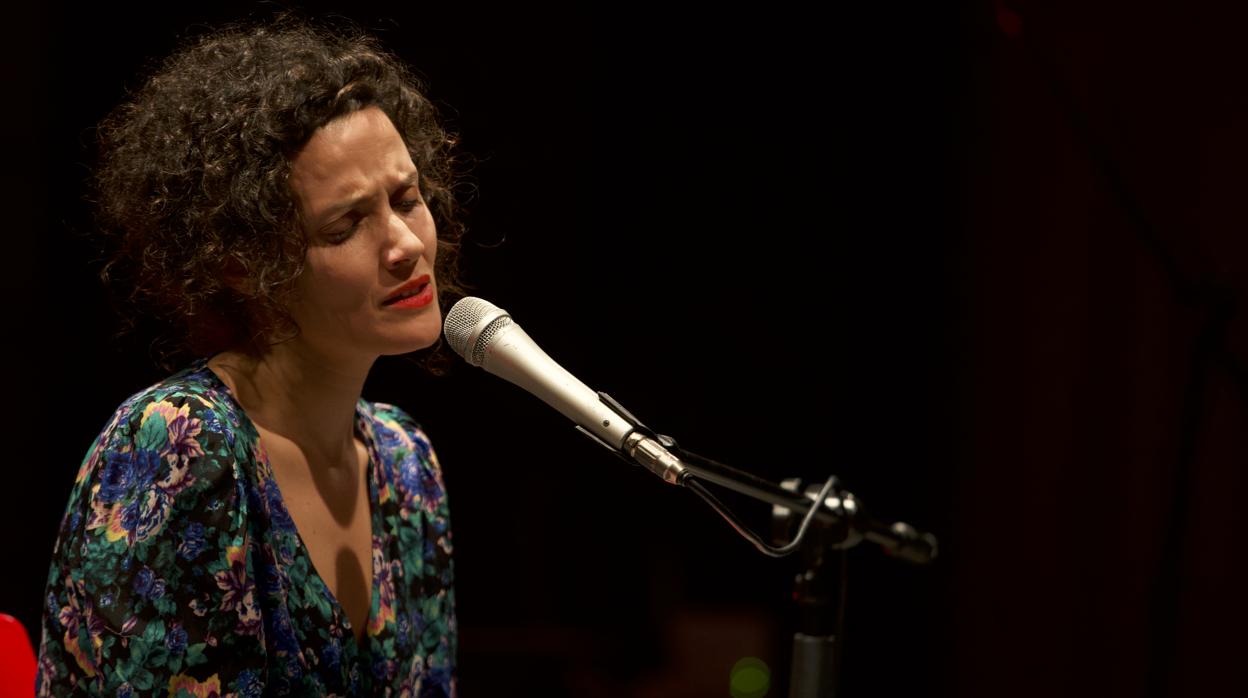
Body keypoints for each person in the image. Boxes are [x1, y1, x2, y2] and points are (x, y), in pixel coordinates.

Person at [35, 15, 463, 697]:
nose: (406, 243)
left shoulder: (405, 464)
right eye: (345, 225)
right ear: (242, 263)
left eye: (407, 199)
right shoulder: (182, 445)